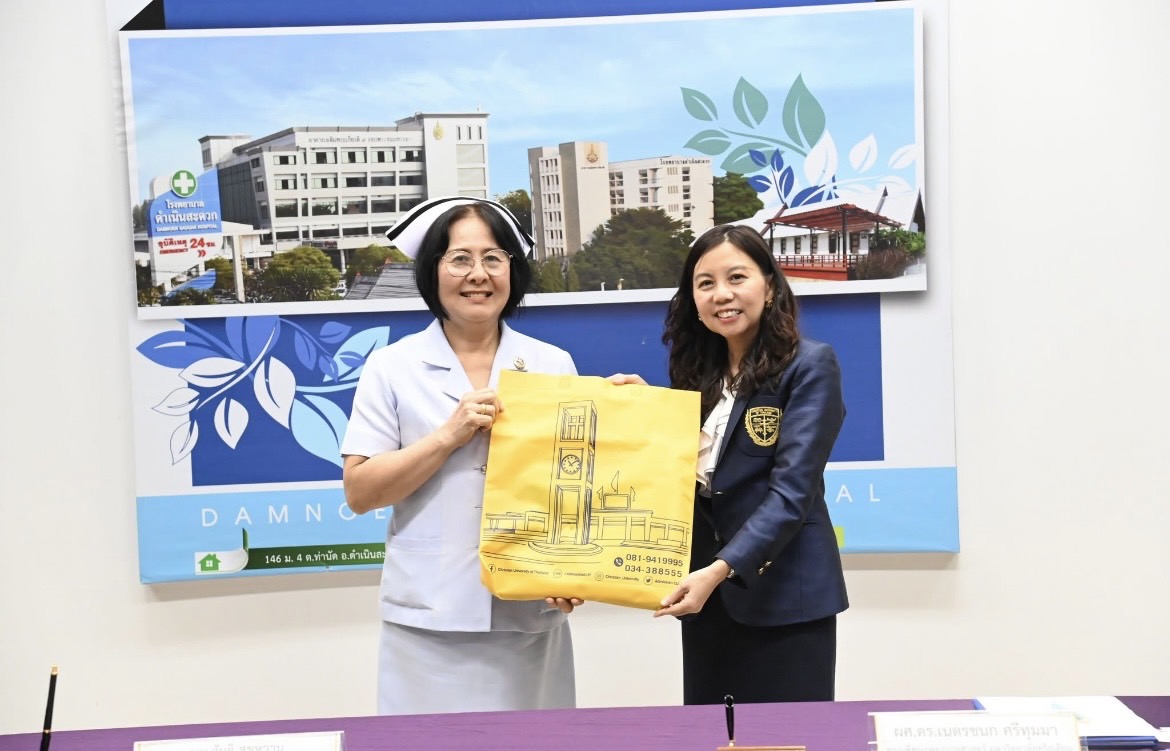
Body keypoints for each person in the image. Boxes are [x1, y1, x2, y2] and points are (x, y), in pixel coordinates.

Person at [341, 196, 581, 715]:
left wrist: (575, 571)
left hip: (526, 613)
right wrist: (448, 436)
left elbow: (575, 490)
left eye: (494, 258)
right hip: (428, 621)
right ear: (433, 272)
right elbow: (360, 492)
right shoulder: (392, 367)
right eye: (460, 259)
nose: (478, 274)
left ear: (513, 271)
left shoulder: (552, 364)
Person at [611, 224, 848, 704]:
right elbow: (688, 477)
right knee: (710, 734)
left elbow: (791, 495)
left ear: (769, 286)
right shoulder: (696, 375)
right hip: (706, 599)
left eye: (736, 277)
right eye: (705, 283)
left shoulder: (809, 365)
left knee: (788, 735)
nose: (721, 294)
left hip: (785, 600)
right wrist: (646, 410)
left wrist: (719, 570)